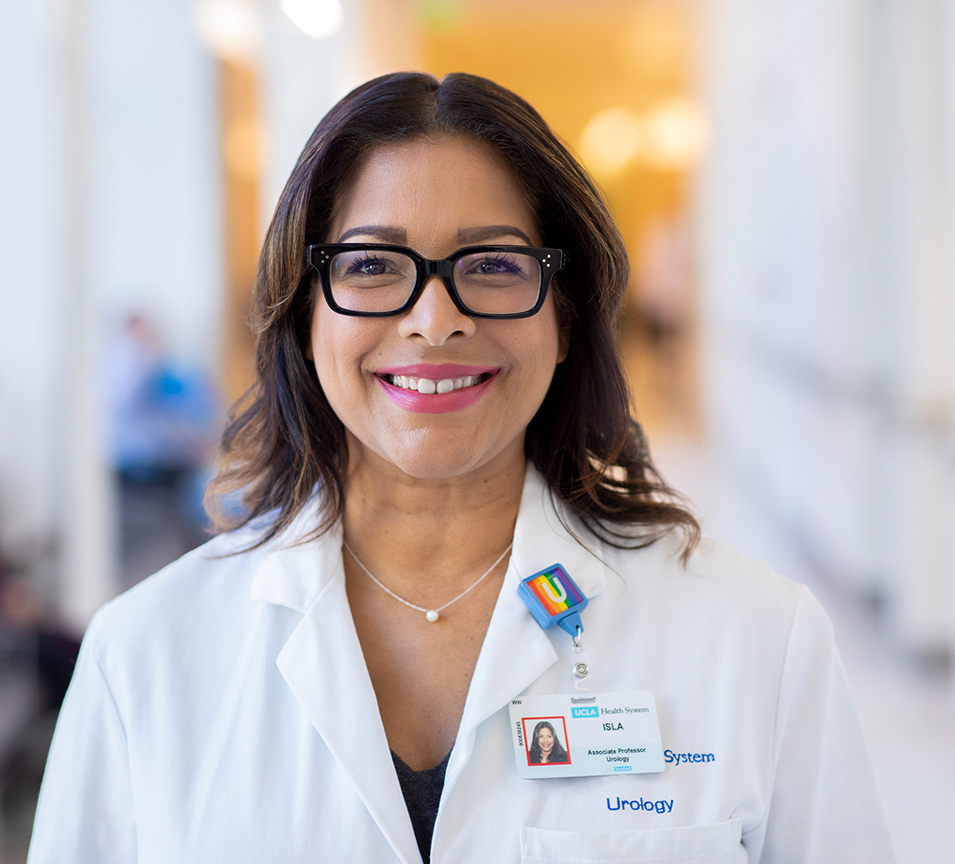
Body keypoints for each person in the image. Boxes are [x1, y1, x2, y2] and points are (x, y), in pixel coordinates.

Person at [27, 72, 895, 864]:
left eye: (491, 264)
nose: (434, 320)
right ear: (302, 317)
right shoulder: (144, 655)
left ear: (563, 316)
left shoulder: (755, 638)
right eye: (370, 265)